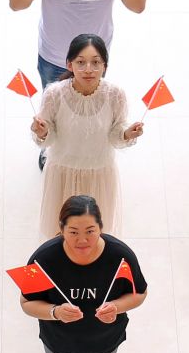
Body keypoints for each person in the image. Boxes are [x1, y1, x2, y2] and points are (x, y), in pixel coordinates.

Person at [9, 0, 148, 169]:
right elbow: (16, 3)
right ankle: (49, 145)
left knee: (89, 103)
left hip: (93, 58)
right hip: (53, 55)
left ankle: (86, 142)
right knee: (53, 105)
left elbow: (139, 6)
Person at [16, 196, 148, 353]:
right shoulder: (43, 258)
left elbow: (140, 293)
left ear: (101, 227)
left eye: (90, 231)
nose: (82, 240)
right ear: (61, 229)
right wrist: (54, 312)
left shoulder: (121, 255)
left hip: (104, 340)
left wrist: (116, 307)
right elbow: (26, 303)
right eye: (73, 232)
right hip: (59, 340)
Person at [29, 34, 144, 237]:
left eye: (96, 62)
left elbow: (115, 135)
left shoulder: (115, 94)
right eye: (81, 62)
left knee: (96, 234)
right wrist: (42, 132)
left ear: (105, 66)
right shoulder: (54, 94)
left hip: (99, 174)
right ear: (69, 64)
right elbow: (49, 137)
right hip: (61, 174)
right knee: (60, 233)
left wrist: (127, 134)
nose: (88, 69)